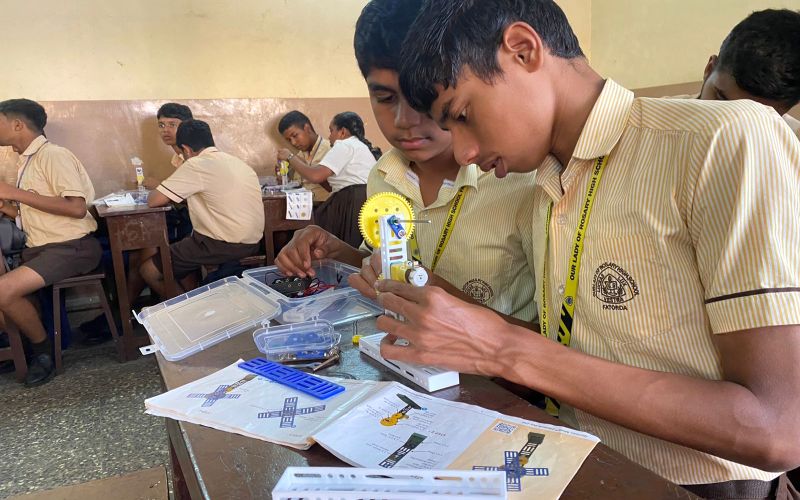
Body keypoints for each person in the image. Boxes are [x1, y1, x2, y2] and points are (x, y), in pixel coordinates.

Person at [369, 1, 800, 498]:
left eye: (462, 115)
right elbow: (579, 354)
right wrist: (449, 307)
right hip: (574, 458)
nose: (464, 151)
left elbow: (778, 428)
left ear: (523, 50)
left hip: (695, 486)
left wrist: (505, 350)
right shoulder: (548, 185)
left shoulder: (720, 139)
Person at [275, 0, 537, 325]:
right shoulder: (384, 175)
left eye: (423, 96)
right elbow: (386, 268)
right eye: (385, 98)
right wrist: (337, 251)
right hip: (402, 359)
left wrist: (436, 295)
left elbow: (553, 342)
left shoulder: (524, 179)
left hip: (486, 376)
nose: (404, 120)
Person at [0, 99, 102, 386]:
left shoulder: (53, 155)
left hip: (72, 246)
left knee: (3, 291)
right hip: (43, 248)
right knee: (8, 300)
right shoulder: (27, 160)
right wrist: (9, 208)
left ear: (17, 125)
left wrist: (14, 194)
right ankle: (25, 349)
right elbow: (36, 211)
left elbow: (75, 208)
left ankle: (44, 352)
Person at [81, 103, 195, 343]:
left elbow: (186, 197)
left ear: (187, 126)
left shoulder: (192, 155)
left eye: (172, 125)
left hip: (191, 227)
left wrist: (159, 187)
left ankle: (122, 316)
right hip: (178, 222)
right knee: (137, 252)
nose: (165, 130)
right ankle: (121, 316)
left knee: (144, 252)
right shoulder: (178, 157)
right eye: (162, 125)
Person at [140, 120, 264, 296]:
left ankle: (187, 315)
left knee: (149, 270)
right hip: (252, 242)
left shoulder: (196, 164)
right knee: (183, 252)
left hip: (220, 245)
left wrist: (155, 186)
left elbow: (155, 200)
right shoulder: (238, 163)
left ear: (187, 149)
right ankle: (198, 301)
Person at [696, 9, 800, 138]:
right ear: (709, 69)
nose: (724, 123)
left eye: (754, 117)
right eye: (721, 99)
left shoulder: (792, 150)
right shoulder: (664, 123)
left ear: (787, 109)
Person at [287, 111, 379, 247]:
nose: (329, 137)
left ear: (342, 132)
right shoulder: (358, 146)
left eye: (331, 131)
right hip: (362, 200)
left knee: (310, 228)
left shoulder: (344, 144)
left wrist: (289, 157)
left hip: (351, 201)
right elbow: (328, 183)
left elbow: (315, 176)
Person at [276, 110, 332, 201]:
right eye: (289, 140)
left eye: (295, 136)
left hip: (326, 208)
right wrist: (282, 176)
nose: (293, 143)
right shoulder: (300, 154)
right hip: (304, 209)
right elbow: (297, 186)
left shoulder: (330, 150)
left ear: (307, 128)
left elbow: (335, 189)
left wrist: (302, 164)